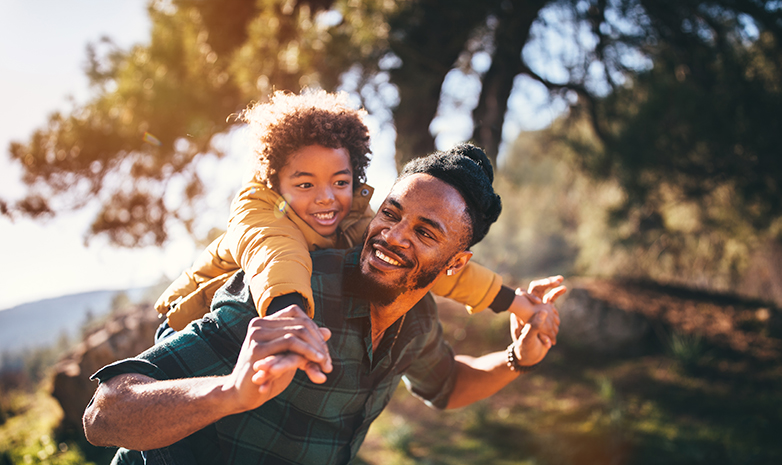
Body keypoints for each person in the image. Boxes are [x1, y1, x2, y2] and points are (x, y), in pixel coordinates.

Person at [83, 143, 566, 465]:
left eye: (424, 232)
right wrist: (230, 391)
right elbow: (106, 414)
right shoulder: (290, 297)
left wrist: (517, 358)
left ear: (455, 263)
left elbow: (448, 385)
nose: (394, 235)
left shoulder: (418, 321)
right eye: (391, 214)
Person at [153, 90, 537, 335]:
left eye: (340, 181)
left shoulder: (358, 219)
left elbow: (431, 264)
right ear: (275, 182)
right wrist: (290, 312)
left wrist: (514, 302)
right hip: (186, 325)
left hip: (263, 324)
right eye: (305, 184)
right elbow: (277, 254)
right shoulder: (260, 213)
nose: (326, 199)